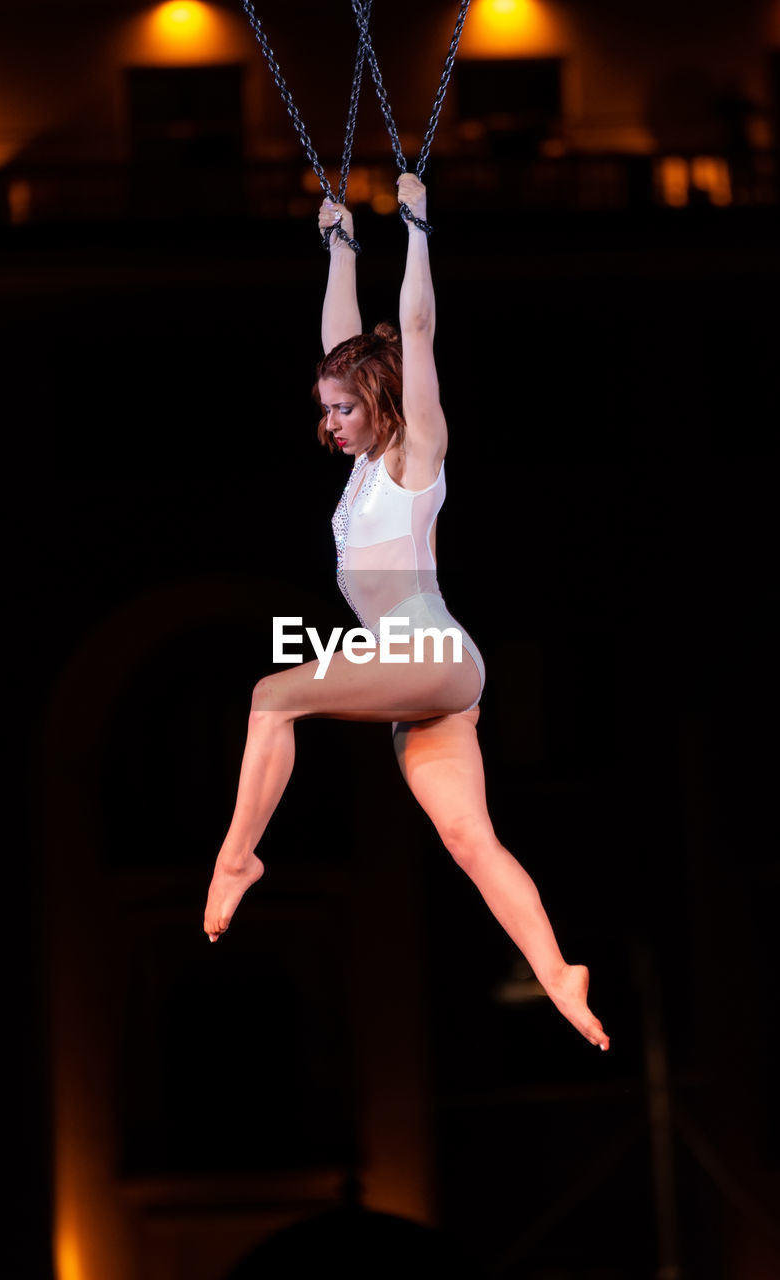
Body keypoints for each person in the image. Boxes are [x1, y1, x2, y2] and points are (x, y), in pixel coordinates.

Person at [204, 174, 609, 1050]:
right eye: (326, 411)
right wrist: (339, 246)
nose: (333, 425)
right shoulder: (355, 468)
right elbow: (337, 341)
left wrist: (416, 227)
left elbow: (413, 329)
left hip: (434, 652)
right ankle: (556, 972)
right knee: (468, 841)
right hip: (421, 683)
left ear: (383, 402)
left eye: (345, 409)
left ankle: (238, 855)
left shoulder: (415, 453)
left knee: (273, 694)